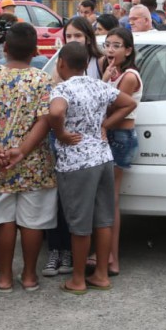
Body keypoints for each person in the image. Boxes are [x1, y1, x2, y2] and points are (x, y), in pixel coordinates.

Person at [0, 22, 57, 293]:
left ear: (5, 48)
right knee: (33, 221)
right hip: (34, 163)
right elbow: (46, 119)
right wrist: (23, 150)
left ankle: (5, 277)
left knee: (2, 218)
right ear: (35, 51)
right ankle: (29, 276)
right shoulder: (43, 80)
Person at [50, 43, 137, 294]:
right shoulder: (99, 85)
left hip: (76, 163)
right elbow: (129, 103)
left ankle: (77, 279)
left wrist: (61, 133)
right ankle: (101, 274)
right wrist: (105, 125)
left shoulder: (63, 88)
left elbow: (56, 112)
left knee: (79, 222)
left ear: (61, 63)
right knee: (103, 219)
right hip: (103, 157)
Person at [43, 17, 105, 277]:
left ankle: (74, 254)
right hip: (64, 145)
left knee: (83, 207)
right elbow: (51, 104)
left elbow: (115, 100)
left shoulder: (99, 65)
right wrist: (60, 134)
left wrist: (103, 125)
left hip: (87, 149)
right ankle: (57, 249)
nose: (73, 41)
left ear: (88, 38)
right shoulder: (60, 64)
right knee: (59, 199)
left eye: (78, 36)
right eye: (69, 36)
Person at [100, 26, 142, 276]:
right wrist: (105, 77)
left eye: (116, 45)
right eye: (107, 45)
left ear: (128, 50)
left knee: (111, 200)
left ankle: (112, 258)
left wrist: (104, 125)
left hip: (120, 136)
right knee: (108, 199)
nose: (110, 50)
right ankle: (108, 255)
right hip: (114, 135)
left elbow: (111, 105)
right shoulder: (114, 73)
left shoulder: (128, 76)